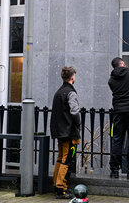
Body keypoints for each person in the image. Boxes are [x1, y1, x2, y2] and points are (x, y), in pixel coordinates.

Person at [50, 66, 81, 199]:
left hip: (60, 132)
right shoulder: (70, 92)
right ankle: (61, 188)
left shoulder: (58, 92)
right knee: (67, 159)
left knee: (60, 157)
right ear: (72, 77)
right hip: (69, 133)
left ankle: (56, 184)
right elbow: (74, 112)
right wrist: (78, 124)